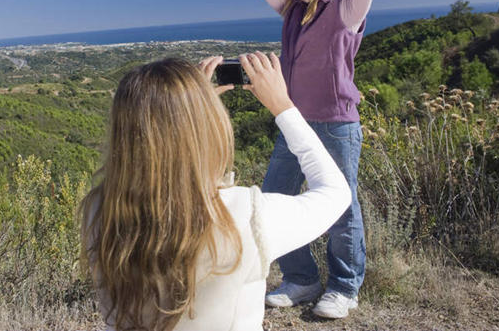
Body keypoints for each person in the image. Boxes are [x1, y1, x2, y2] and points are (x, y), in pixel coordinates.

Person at [216, 0, 408, 318]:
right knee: (275, 200)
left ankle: (345, 286)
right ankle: (301, 279)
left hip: (338, 125)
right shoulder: (291, 14)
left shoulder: (346, 9)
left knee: (340, 207)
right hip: (294, 122)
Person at [80, 53, 350, 331]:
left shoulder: (99, 211)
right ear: (209, 125)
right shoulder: (246, 215)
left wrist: (189, 106)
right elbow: (335, 191)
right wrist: (283, 107)